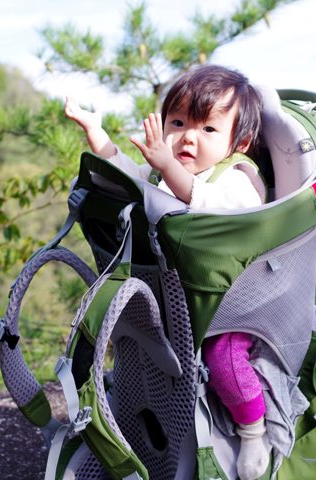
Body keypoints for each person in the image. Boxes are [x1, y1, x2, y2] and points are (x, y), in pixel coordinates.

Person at [65, 64, 270, 480]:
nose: (188, 136)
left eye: (208, 130)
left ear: (240, 142)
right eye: (178, 122)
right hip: (178, 300)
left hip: (232, 303)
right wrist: (96, 135)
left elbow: (205, 203)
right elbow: (127, 176)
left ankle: (254, 431)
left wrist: (168, 167)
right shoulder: (165, 172)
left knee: (224, 357)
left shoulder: (237, 179)